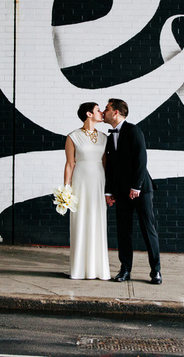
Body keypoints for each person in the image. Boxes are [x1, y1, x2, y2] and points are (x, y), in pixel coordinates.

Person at [103, 98, 162, 285]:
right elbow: (110, 167)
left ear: (116, 113)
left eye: (106, 109)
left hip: (141, 190)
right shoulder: (110, 136)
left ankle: (156, 272)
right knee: (123, 231)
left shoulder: (134, 130)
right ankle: (125, 269)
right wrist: (109, 191)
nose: (103, 112)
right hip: (120, 192)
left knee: (148, 230)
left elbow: (141, 160)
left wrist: (136, 187)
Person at [63, 102, 111, 280]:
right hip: (80, 181)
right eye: (98, 110)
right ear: (88, 114)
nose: (102, 113)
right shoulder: (73, 136)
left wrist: (109, 188)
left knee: (97, 220)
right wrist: (66, 189)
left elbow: (105, 164)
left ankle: (98, 269)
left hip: (98, 180)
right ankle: (79, 269)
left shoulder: (104, 137)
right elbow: (70, 164)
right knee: (81, 220)